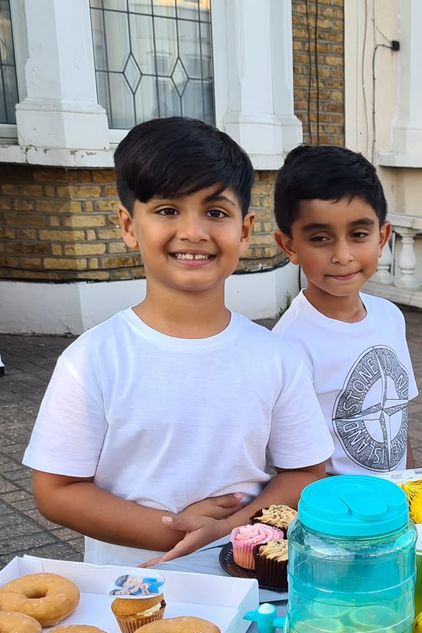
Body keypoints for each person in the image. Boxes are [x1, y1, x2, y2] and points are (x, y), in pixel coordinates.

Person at [24, 117, 333, 567]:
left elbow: (305, 471)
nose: (194, 232)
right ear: (129, 226)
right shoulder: (92, 359)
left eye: (216, 212)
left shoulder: (277, 357)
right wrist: (173, 531)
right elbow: (56, 491)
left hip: (247, 585)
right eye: (168, 210)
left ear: (244, 231)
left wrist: (229, 530)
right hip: (130, 592)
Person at [272, 145, 417, 475]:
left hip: (398, 505)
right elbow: (299, 466)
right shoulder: (288, 345)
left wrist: (414, 491)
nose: (343, 255)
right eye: (321, 238)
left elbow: (398, 417)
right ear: (290, 246)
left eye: (358, 235)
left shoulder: (390, 317)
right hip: (342, 519)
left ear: (382, 238)